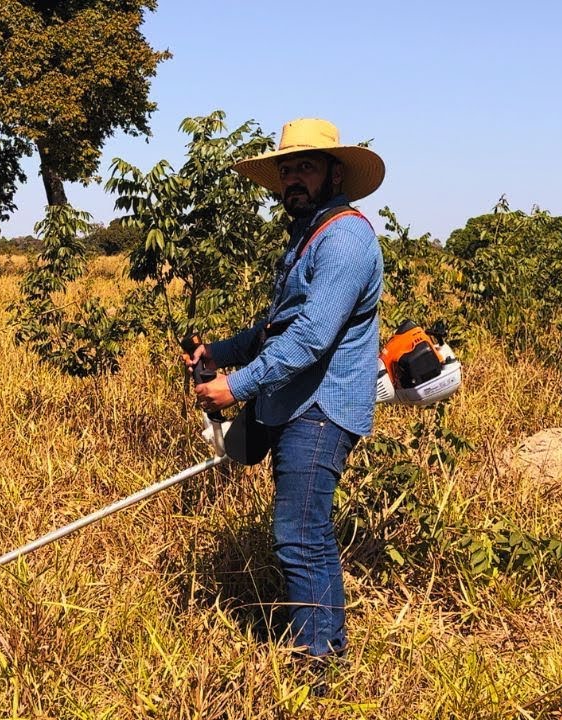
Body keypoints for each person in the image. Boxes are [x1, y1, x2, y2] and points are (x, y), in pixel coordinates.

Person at [186, 118, 385, 661]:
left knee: (301, 535)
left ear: (334, 172)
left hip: (320, 408)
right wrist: (219, 353)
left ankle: (317, 661)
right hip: (295, 400)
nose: (294, 178)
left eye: (306, 166)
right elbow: (276, 327)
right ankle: (318, 647)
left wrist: (238, 386)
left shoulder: (344, 237)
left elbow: (311, 338)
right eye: (287, 169)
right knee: (301, 531)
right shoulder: (308, 234)